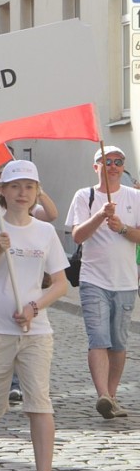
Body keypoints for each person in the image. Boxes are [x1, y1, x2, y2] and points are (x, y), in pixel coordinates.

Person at [0, 160, 67, 471]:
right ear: (3, 192)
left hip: (36, 332)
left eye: (29, 186)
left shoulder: (46, 231)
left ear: (37, 192)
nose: (22, 193)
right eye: (15, 186)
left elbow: (60, 284)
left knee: (40, 403)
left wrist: (34, 308)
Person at [66, 146, 140, 419]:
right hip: (93, 279)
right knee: (99, 339)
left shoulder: (135, 196)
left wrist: (121, 227)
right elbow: (77, 236)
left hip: (125, 281)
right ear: (96, 166)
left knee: (119, 343)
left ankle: (112, 396)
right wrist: (100, 216)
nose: (113, 166)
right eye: (106, 161)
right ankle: (103, 395)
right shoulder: (84, 196)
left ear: (123, 166)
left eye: (118, 162)